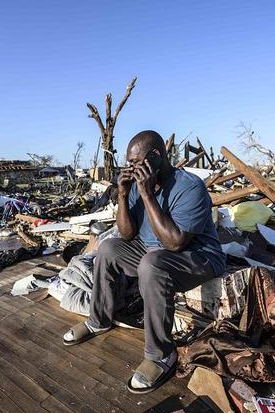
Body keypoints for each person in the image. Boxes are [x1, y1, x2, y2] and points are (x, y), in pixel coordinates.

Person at [62, 130, 225, 394]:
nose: (131, 168)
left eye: (136, 163)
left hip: (199, 256)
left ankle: (161, 354)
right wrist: (124, 195)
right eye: (128, 163)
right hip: (154, 251)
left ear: (157, 156)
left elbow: (175, 243)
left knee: (153, 263)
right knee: (109, 248)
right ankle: (99, 319)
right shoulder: (137, 185)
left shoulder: (189, 187)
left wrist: (147, 194)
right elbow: (127, 234)